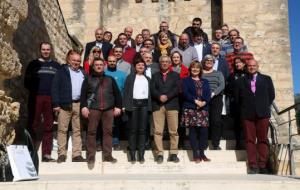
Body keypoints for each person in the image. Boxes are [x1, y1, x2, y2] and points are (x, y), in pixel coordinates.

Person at [234, 59, 275, 174]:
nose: (252, 67)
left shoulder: (267, 79)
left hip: (263, 113)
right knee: (250, 140)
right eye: (249, 66)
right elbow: (237, 99)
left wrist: (262, 106)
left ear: (257, 66)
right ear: (246, 67)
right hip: (247, 114)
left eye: (254, 65)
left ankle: (262, 164)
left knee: (263, 139)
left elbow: (271, 95)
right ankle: (253, 165)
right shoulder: (240, 81)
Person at [81, 58, 122, 168]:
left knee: (108, 132)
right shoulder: (88, 79)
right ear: (93, 66)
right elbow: (83, 95)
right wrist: (84, 106)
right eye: (96, 65)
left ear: (104, 66)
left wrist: (118, 106)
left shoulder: (110, 79)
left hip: (108, 109)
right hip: (93, 109)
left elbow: (117, 94)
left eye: (100, 64)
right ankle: (90, 157)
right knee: (91, 132)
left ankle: (108, 155)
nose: (99, 66)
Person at [24, 42, 60, 162]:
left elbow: (59, 84)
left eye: (48, 49)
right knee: (33, 124)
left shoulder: (56, 66)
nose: (45, 51)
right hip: (36, 97)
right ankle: (30, 151)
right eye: (43, 49)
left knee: (49, 125)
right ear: (40, 50)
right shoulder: (33, 64)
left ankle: (46, 154)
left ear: (51, 50)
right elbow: (26, 81)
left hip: (50, 98)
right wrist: (35, 91)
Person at [52, 50, 87, 163]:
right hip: (64, 104)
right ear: (68, 60)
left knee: (77, 130)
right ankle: (62, 154)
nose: (76, 62)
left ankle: (76, 155)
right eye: (74, 60)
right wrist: (56, 104)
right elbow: (55, 88)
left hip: (78, 104)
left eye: (78, 61)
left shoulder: (83, 72)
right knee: (62, 130)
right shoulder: (61, 71)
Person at [151, 55, 180, 163]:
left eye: (166, 61)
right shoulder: (155, 76)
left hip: (172, 105)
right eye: (162, 61)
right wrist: (159, 96)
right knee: (158, 131)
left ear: (170, 63)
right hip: (158, 105)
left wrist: (167, 96)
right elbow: (152, 89)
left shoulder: (176, 75)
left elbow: (177, 88)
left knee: (173, 131)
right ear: (159, 63)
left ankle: (173, 153)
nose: (164, 63)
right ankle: (159, 153)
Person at [123, 54, 152, 163]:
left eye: (142, 65)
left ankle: (141, 154)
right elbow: (125, 92)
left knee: (142, 130)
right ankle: (132, 154)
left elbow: (150, 94)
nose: (140, 66)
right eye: (138, 65)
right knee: (133, 130)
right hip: (133, 105)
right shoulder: (130, 78)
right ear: (134, 66)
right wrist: (124, 106)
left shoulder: (147, 79)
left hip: (144, 106)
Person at [181, 61, 211, 162]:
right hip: (191, 108)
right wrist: (195, 101)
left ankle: (202, 153)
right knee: (193, 131)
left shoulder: (205, 81)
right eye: (193, 67)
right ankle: (195, 154)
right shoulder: (185, 80)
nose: (195, 69)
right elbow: (185, 93)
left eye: (197, 68)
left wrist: (204, 102)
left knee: (204, 132)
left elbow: (208, 93)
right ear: (190, 69)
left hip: (203, 109)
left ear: (200, 70)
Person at [201, 54, 225, 150]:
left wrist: (213, 93)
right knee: (203, 122)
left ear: (213, 62)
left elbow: (222, 85)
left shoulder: (218, 73)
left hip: (216, 99)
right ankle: (204, 143)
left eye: (211, 60)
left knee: (215, 121)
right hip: (202, 99)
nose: (209, 62)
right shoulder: (200, 73)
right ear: (203, 62)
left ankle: (215, 144)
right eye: (207, 60)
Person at [105, 55, 127, 150]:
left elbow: (126, 90)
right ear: (107, 62)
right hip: (105, 103)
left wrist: (123, 105)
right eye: (110, 61)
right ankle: (105, 142)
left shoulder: (122, 74)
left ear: (116, 62)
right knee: (106, 124)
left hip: (118, 104)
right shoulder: (103, 73)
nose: (112, 63)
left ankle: (115, 142)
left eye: (114, 61)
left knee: (116, 124)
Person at [226, 57, 247, 150]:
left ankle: (248, 142)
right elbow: (227, 89)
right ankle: (238, 143)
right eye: (236, 63)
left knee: (247, 124)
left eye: (240, 62)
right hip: (236, 103)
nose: (238, 64)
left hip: (247, 104)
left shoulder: (248, 74)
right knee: (237, 124)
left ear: (243, 64)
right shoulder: (231, 76)